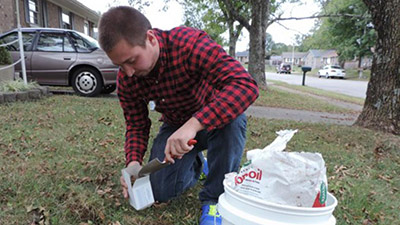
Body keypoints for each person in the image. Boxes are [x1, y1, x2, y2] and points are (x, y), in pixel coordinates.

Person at [98, 6, 259, 225]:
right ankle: (200, 164)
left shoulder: (188, 44)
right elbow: (136, 124)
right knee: (161, 190)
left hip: (215, 121)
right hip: (175, 127)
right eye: (120, 65)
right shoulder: (127, 79)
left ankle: (215, 199)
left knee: (232, 119)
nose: (128, 72)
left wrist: (194, 124)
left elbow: (245, 85)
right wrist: (134, 162)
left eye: (132, 61)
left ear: (151, 38)